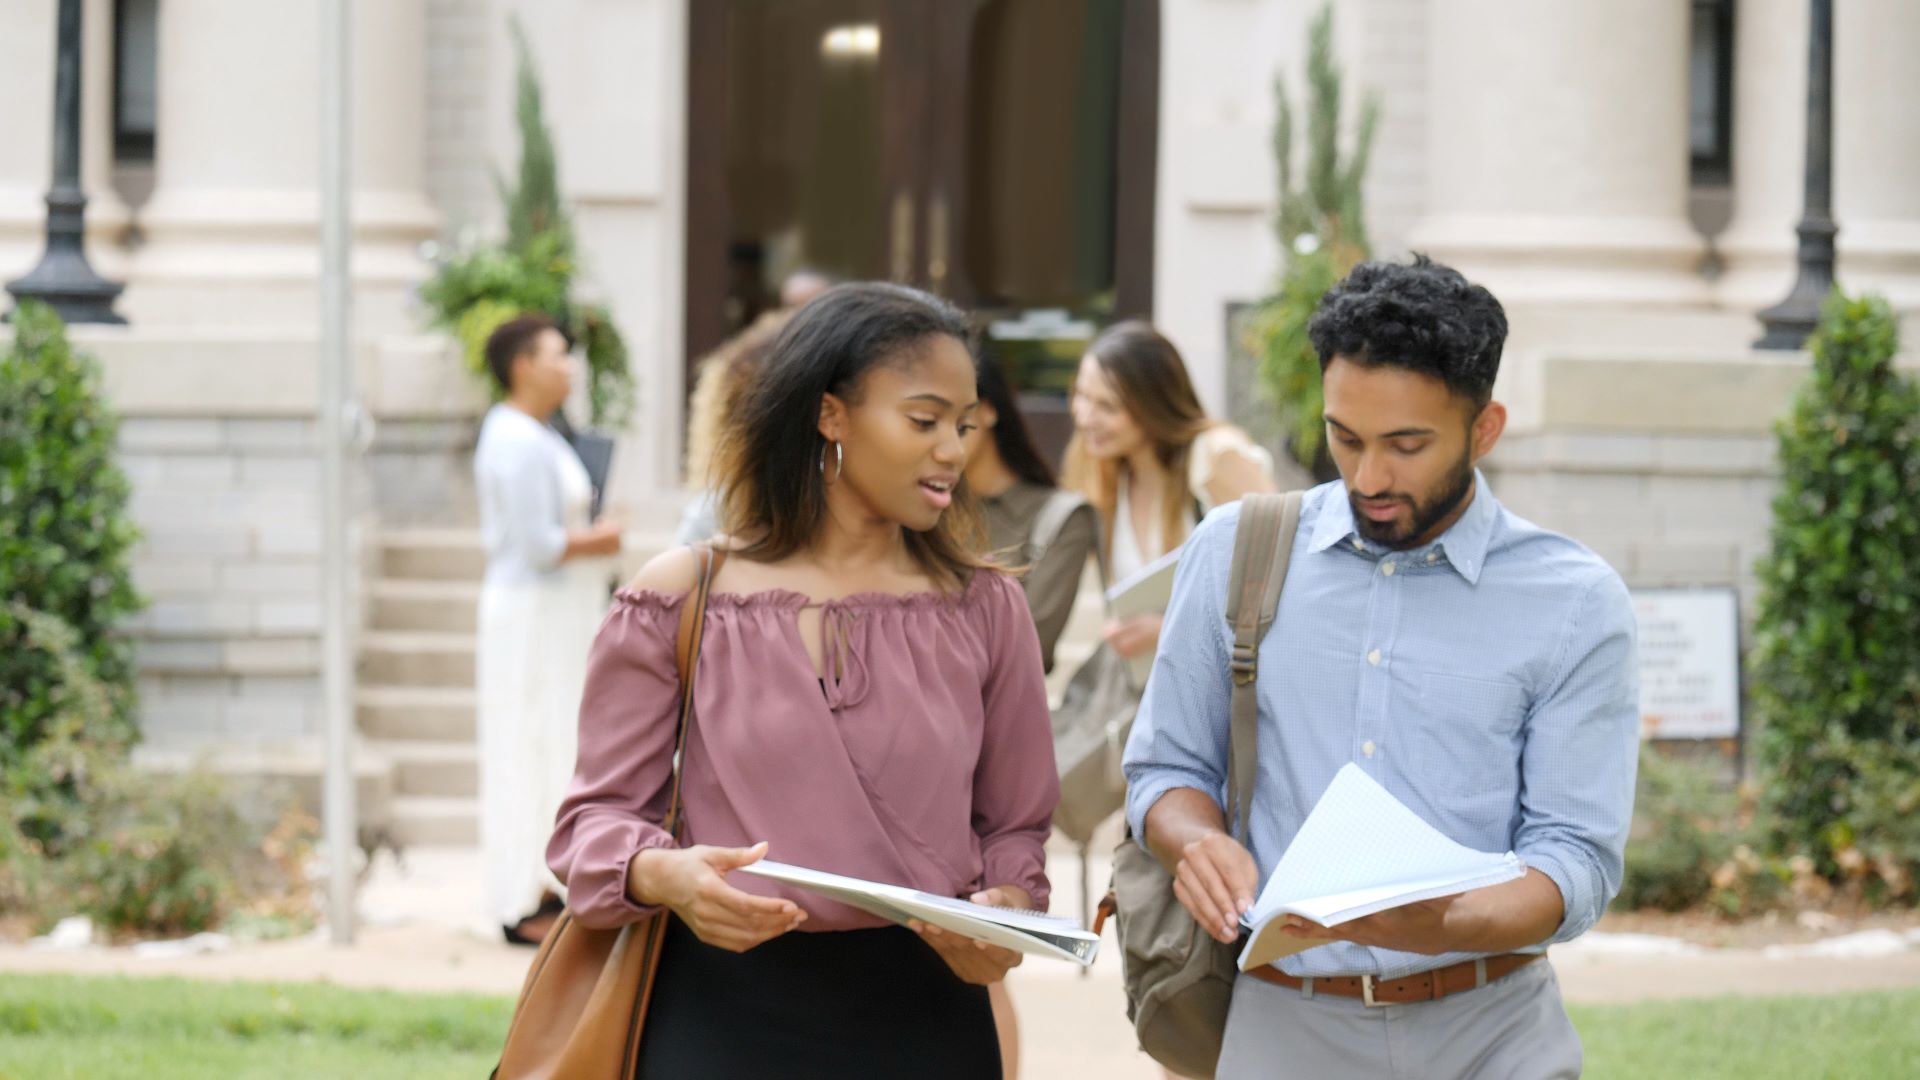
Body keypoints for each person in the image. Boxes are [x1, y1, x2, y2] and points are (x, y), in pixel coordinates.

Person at [1123, 256, 1638, 1079]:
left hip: (1496, 1037)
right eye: (1345, 438)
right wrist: (1196, 842)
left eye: (1406, 445)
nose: (1368, 478)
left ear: (1486, 427)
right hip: (1282, 1029)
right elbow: (1166, 769)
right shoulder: (1234, 550)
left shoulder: (1574, 602)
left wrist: (1446, 922)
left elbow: (1574, 858)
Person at [547, 282, 1059, 1078]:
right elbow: (596, 820)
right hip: (718, 1015)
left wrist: (1007, 913)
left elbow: (1016, 827)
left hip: (928, 1022)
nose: (953, 450)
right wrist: (664, 874)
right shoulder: (682, 596)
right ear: (830, 415)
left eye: (963, 424)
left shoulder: (987, 609)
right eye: (923, 421)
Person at [472, 314, 624, 946]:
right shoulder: (514, 439)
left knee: (556, 743)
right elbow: (537, 545)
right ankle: (522, 896)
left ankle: (549, 884)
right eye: (557, 355)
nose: (569, 367)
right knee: (527, 744)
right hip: (532, 616)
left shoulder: (535, 434)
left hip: (559, 617)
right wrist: (606, 538)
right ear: (523, 366)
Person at [1061, 320, 1277, 671]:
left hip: (1225, 697)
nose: (1085, 418)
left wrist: (1167, 630)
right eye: (1081, 395)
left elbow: (1283, 575)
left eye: (1108, 406)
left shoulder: (1216, 457)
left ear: (1154, 405)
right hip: (1157, 695)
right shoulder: (1104, 468)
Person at [675, 270, 837, 544]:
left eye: (818, 305)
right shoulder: (755, 353)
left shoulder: (838, 358)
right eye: (795, 304)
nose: (805, 314)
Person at [961, 351, 1098, 673]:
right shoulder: (919, 512)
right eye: (923, 419)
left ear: (988, 410)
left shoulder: (1060, 517)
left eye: (953, 417)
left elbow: (1031, 646)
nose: (939, 436)